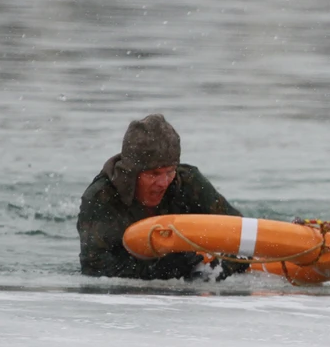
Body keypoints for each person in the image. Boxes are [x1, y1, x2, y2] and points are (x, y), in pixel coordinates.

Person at [78, 114, 247, 280]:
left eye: (170, 171)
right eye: (154, 173)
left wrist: (217, 269)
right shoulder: (101, 197)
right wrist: (159, 270)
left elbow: (240, 234)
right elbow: (94, 266)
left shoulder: (189, 183)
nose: (163, 182)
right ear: (131, 173)